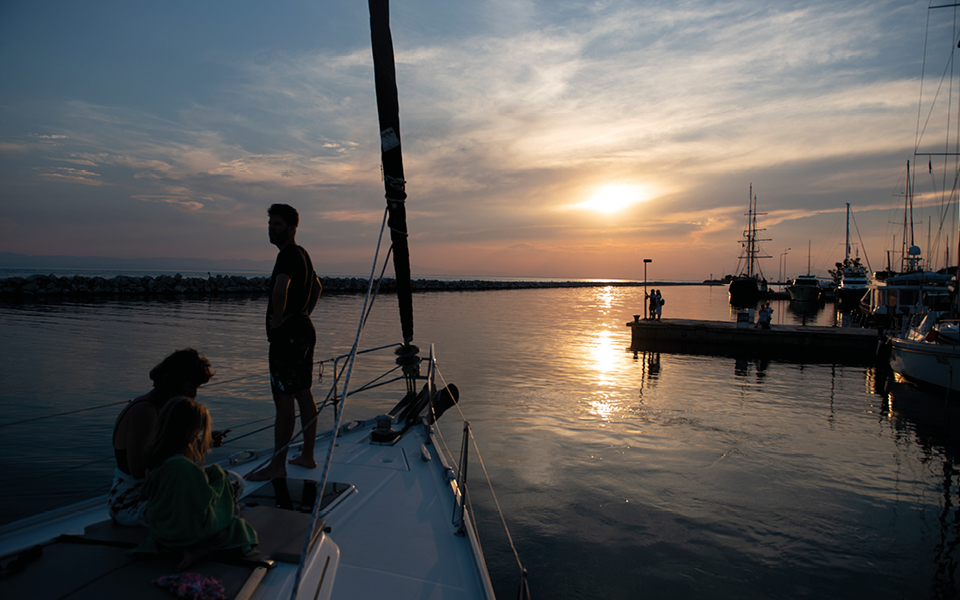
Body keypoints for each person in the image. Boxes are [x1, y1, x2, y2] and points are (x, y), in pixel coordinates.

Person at [132, 397, 257, 570]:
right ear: (189, 431)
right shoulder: (181, 466)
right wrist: (219, 478)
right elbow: (203, 501)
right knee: (232, 482)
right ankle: (211, 538)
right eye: (197, 432)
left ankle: (233, 508)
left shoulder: (155, 456)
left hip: (161, 526)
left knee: (220, 477)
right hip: (183, 532)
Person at [248, 204, 322, 482]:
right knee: (303, 392)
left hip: (287, 337)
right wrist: (303, 313)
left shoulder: (287, 254)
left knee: (283, 399)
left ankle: (278, 464)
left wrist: (278, 320)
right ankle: (308, 455)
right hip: (304, 330)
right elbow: (317, 287)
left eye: (277, 224)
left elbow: (281, 288)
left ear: (291, 229)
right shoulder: (303, 254)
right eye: (270, 224)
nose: (271, 229)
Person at [109, 349, 215, 526]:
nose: (195, 394)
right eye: (191, 387)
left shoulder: (166, 410)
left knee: (232, 481)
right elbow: (139, 471)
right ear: (175, 382)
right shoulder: (145, 413)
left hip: (162, 489)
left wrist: (204, 443)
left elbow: (168, 454)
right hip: (132, 499)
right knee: (193, 507)